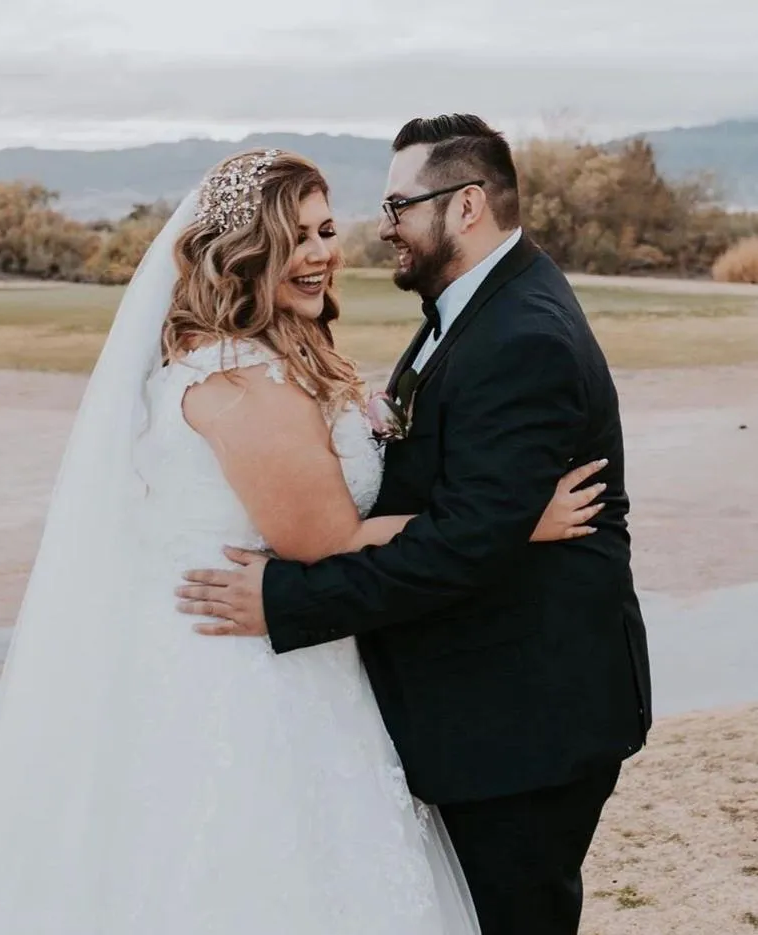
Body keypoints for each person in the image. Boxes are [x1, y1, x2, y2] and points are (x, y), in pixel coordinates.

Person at [0, 147, 604, 935]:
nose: (322, 251)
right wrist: (513, 520)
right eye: (296, 236)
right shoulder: (241, 381)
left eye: (327, 228)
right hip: (249, 674)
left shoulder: (273, 358)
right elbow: (330, 538)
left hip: (293, 657)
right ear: (247, 252)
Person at [177, 117, 653, 935]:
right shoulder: (475, 308)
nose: (380, 226)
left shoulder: (521, 334)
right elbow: (460, 510)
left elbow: (463, 547)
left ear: (464, 207)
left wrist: (285, 601)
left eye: (397, 205)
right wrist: (506, 520)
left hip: (521, 725)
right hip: (480, 710)